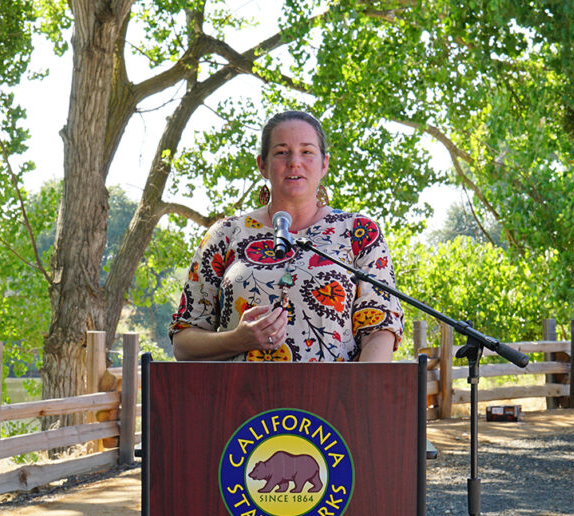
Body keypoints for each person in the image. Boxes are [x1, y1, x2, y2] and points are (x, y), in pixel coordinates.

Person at [169, 110, 403, 362]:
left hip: (334, 399)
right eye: (281, 152)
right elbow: (183, 344)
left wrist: (359, 398)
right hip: (238, 398)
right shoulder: (224, 235)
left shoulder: (359, 233)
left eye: (307, 151)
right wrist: (237, 339)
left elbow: (380, 330)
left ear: (324, 164)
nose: (294, 162)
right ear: (262, 165)